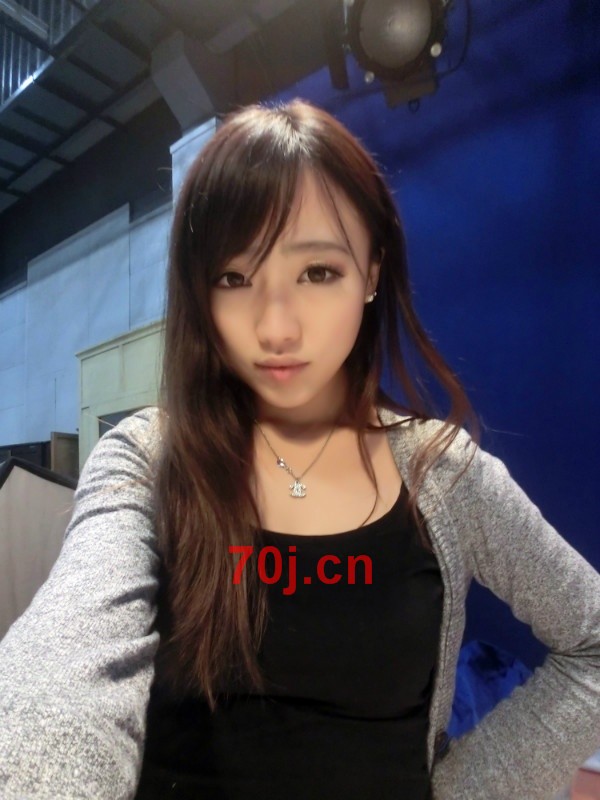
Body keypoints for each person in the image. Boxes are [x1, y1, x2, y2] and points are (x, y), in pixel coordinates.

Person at [0, 99, 598, 800]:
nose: (275, 328)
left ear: (371, 271)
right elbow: (67, 663)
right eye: (234, 278)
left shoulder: (446, 475)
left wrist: (465, 791)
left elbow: (591, 642)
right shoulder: (149, 459)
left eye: (317, 272)